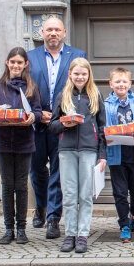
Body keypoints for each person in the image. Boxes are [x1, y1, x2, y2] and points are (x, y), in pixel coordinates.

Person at [28, 17, 86, 239]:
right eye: (49, 29)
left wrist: (60, 115)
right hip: (37, 122)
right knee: (36, 169)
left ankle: (54, 217)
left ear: (64, 32)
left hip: (63, 123)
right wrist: (37, 112)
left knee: (58, 171)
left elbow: (81, 87)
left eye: (57, 30)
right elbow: (25, 88)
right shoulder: (30, 57)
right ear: (42, 32)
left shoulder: (77, 55)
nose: (53, 33)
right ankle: (41, 206)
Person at [0, 47, 43, 245]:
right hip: (3, 141)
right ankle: (8, 228)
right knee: (7, 186)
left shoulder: (31, 87)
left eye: (20, 62)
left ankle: (21, 229)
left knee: (21, 185)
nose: (16, 65)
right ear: (7, 62)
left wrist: (32, 117)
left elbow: (37, 111)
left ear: (26, 64)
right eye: (13, 62)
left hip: (25, 141)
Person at [49, 58, 107, 253]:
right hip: (67, 150)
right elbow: (52, 124)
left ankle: (83, 235)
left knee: (85, 194)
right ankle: (70, 234)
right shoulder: (62, 95)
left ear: (89, 75)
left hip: (89, 150)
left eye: (84, 74)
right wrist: (65, 124)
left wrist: (103, 154)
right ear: (70, 75)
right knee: (70, 194)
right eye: (76, 74)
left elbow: (101, 127)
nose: (80, 77)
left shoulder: (95, 95)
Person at [104, 67, 134, 243]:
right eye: (117, 82)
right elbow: (102, 128)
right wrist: (106, 134)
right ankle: (124, 225)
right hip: (116, 155)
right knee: (120, 192)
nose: (121, 85)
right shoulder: (106, 106)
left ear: (130, 84)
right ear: (111, 84)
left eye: (124, 81)